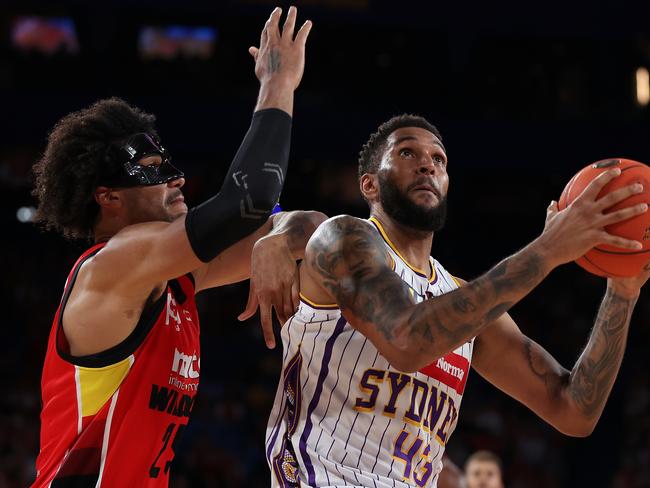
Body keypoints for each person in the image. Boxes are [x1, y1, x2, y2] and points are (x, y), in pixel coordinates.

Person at [265, 114, 650, 487]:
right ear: (369, 185)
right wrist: (548, 249)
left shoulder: (461, 299)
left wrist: (622, 292)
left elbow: (573, 411)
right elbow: (407, 339)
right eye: (406, 153)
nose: (426, 166)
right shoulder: (343, 239)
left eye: (439, 159)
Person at [30, 7, 320, 487]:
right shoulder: (112, 266)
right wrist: (278, 84)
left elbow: (312, 226)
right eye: (152, 168)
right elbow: (249, 201)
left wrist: (280, 240)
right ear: (109, 198)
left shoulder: (179, 278)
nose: (177, 178)